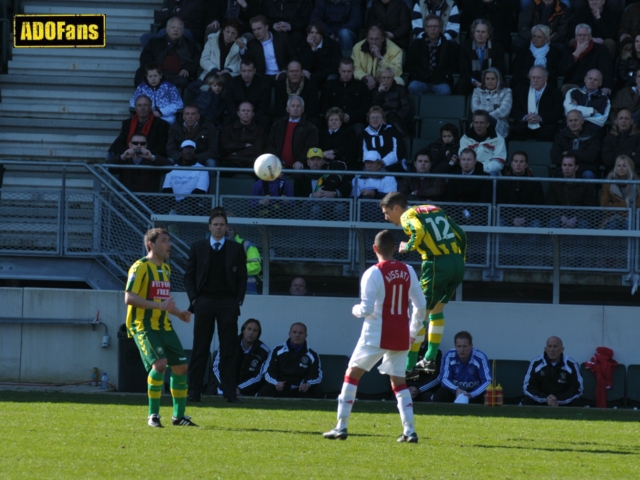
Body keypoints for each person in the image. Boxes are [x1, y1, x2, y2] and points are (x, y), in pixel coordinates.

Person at [323, 229, 426, 442]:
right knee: (399, 382)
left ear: (375, 248)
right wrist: (413, 331)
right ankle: (410, 431)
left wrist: (355, 309)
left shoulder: (373, 272)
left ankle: (341, 426)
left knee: (352, 374)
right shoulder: (408, 269)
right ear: (394, 247)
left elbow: (367, 309)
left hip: (376, 333)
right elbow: (421, 305)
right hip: (400, 334)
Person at [380, 191, 466, 375]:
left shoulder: (408, 215)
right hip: (457, 263)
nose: (386, 217)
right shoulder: (434, 209)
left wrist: (407, 247)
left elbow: (418, 231)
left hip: (436, 264)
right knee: (436, 311)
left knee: (420, 313)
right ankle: (429, 358)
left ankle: (409, 365)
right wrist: (462, 258)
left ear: (397, 208)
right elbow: (460, 233)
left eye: (387, 212)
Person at [124, 228, 196, 427]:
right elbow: (128, 297)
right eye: (164, 241)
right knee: (160, 364)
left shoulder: (165, 269)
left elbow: (162, 301)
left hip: (164, 325)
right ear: (151, 245)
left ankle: (179, 417)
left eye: (169, 241)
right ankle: (153, 415)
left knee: (181, 367)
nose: (169, 245)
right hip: (144, 326)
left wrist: (179, 312)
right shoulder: (140, 267)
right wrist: (158, 306)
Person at [184, 208, 247, 403]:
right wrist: (194, 299)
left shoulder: (236, 249)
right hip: (204, 301)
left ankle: (229, 393)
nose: (219, 228)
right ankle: (194, 392)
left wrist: (237, 300)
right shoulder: (198, 247)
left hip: (227, 302)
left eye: (222, 225)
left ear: (227, 227)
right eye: (215, 224)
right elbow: (189, 275)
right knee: (200, 347)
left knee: (228, 349)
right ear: (210, 226)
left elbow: (242, 277)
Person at [257, 322, 323, 398]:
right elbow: (268, 371)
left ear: (306, 336)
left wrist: (307, 384)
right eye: (294, 332)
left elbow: (317, 376)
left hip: (301, 390)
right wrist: (276, 383)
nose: (297, 335)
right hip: (280, 388)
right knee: (264, 391)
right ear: (289, 334)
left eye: (300, 333)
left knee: (318, 393)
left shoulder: (312, 355)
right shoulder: (277, 350)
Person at [135, 17, 200, 88]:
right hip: (157, 74)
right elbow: (145, 58)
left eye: (179, 28)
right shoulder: (154, 43)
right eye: (173, 27)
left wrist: (187, 68)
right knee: (144, 78)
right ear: (167, 29)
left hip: (176, 76)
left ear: (183, 30)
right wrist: (154, 70)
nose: (176, 30)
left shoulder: (189, 45)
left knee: (182, 82)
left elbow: (195, 60)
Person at [212, 318, 270, 397]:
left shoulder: (264, 351)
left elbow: (259, 376)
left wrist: (239, 388)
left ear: (258, 334)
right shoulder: (228, 344)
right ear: (243, 330)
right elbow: (216, 367)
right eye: (249, 329)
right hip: (223, 386)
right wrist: (224, 385)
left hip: (248, 390)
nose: (251, 333)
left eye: (255, 331)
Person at [522, 336, 584, 406]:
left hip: (563, 401)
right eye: (549, 346)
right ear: (545, 349)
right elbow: (528, 387)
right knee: (527, 400)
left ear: (562, 349)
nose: (552, 349)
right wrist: (546, 399)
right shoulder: (536, 363)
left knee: (577, 402)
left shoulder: (571, 364)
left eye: (555, 346)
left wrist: (557, 399)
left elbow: (577, 389)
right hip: (541, 400)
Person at [406, 14, 458, 97]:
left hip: (440, 81)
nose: (433, 29)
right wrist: (421, 75)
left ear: (440, 29)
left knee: (446, 90)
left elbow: (453, 66)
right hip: (421, 80)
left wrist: (444, 77)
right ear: (426, 29)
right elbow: (410, 65)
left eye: (436, 26)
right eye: (430, 26)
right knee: (413, 87)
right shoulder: (416, 44)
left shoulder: (449, 46)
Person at [107, 95, 170, 164]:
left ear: (150, 108)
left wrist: (145, 154)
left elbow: (162, 146)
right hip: (130, 158)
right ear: (135, 108)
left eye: (145, 105)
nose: (142, 108)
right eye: (139, 105)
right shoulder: (127, 123)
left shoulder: (161, 124)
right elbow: (119, 142)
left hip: (149, 159)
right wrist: (128, 153)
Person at [433, 331, 491, 404]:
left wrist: (471, 394)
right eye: (459, 346)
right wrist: (456, 389)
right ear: (455, 346)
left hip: (474, 393)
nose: (461, 350)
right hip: (456, 392)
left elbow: (487, 381)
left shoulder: (480, 357)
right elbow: (444, 378)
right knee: (441, 392)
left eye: (465, 346)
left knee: (487, 394)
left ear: (471, 346)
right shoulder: (449, 356)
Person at [510, 65, 564, 142]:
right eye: (533, 77)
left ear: (545, 79)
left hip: (545, 125)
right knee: (516, 132)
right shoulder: (521, 92)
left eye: (538, 78)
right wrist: (525, 117)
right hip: (526, 123)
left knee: (548, 133)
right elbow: (514, 110)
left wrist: (540, 118)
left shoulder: (555, 93)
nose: (535, 80)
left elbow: (557, 112)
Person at [266, 96, 319, 170]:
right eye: (293, 106)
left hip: (300, 167)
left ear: (303, 109)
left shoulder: (310, 128)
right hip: (277, 167)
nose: (295, 108)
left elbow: (310, 147)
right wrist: (276, 160)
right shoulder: (277, 125)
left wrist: (300, 160)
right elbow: (270, 144)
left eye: (298, 106)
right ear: (287, 109)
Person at [558, 24, 614, 95]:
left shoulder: (601, 50)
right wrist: (576, 54)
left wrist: (607, 86)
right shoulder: (569, 50)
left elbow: (607, 70)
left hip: (594, 85)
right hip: (574, 85)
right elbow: (562, 71)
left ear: (590, 37)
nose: (582, 37)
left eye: (585, 35)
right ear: (575, 37)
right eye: (579, 35)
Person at [320, 57, 371, 134]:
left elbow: (365, 107)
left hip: (354, 122)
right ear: (339, 70)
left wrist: (351, 116)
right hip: (333, 121)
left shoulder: (361, 86)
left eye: (349, 71)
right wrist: (336, 117)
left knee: (359, 130)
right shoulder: (329, 86)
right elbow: (324, 105)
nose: (346, 74)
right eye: (344, 71)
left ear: (353, 70)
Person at [109, 133, 173, 193]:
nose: (139, 146)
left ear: (146, 145)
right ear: (130, 145)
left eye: (142, 143)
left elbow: (170, 167)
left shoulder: (152, 159)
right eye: (135, 143)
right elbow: (107, 167)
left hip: (148, 200)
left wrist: (152, 158)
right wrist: (122, 157)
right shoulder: (124, 159)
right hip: (126, 199)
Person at [456, 19, 505, 96]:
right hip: (472, 80)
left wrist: (488, 81)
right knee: (462, 83)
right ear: (473, 33)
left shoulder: (497, 47)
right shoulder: (465, 47)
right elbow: (464, 70)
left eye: (483, 32)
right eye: (478, 31)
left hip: (491, 79)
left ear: (488, 34)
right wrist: (476, 83)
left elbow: (499, 68)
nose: (480, 34)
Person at [546, 154, 596, 228]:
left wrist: (576, 218)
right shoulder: (555, 183)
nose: (566, 168)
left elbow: (589, 206)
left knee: (583, 224)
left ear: (576, 167)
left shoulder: (585, 184)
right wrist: (562, 217)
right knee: (553, 223)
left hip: (579, 218)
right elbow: (551, 204)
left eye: (570, 165)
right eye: (564, 165)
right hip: (559, 217)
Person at [161, 140, 209, 215]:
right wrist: (174, 205)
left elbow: (200, 192)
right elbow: (166, 190)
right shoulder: (172, 168)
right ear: (180, 152)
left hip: (193, 206)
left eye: (192, 149)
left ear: (195, 153)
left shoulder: (202, 169)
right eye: (186, 149)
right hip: (173, 206)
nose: (189, 151)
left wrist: (182, 205)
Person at [241, 15, 294, 82]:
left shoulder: (282, 38)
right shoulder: (252, 44)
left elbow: (293, 55)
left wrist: (285, 70)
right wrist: (242, 48)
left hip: (283, 73)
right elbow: (248, 61)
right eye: (254, 30)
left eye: (259, 28)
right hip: (263, 77)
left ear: (266, 27)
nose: (256, 32)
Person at [550, 109, 602, 178]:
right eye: (570, 121)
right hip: (565, 169)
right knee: (557, 176)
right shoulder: (560, 137)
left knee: (588, 175)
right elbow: (555, 157)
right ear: (567, 122)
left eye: (576, 120)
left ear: (582, 121)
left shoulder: (593, 136)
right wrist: (578, 157)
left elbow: (592, 157)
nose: (573, 123)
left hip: (586, 169)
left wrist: (569, 152)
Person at [352, 25, 404, 91]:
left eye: (377, 39)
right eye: (371, 39)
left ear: (382, 38)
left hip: (384, 80)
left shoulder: (395, 49)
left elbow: (397, 72)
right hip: (365, 80)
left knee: (399, 80)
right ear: (367, 38)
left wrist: (380, 58)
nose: (373, 42)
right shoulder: (357, 47)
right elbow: (355, 68)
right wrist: (366, 77)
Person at [510, 25, 562, 89]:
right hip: (526, 82)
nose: (536, 39)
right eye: (534, 36)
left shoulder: (554, 52)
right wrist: (529, 76)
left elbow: (556, 71)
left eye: (539, 37)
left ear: (546, 39)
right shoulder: (524, 50)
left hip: (547, 83)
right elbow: (516, 68)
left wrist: (541, 77)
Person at [226, 59, 272, 131]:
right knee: (228, 120)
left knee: (265, 120)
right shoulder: (232, 83)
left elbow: (264, 106)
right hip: (238, 115)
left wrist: (250, 117)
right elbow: (230, 104)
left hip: (256, 115)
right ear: (240, 71)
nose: (246, 74)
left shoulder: (263, 83)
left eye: (249, 71)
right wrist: (241, 116)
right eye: (244, 71)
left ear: (254, 71)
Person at [459, 110, 507, 176]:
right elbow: (463, 158)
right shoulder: (465, 138)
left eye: (481, 123)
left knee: (493, 174)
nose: (478, 125)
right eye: (476, 122)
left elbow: (499, 162)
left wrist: (480, 169)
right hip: (470, 171)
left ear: (487, 124)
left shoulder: (499, 139)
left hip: (489, 171)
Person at [220, 101, 266, 168]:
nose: (246, 113)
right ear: (238, 113)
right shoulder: (229, 128)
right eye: (243, 110)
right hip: (231, 161)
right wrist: (244, 145)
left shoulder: (259, 130)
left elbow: (258, 149)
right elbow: (225, 146)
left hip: (252, 162)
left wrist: (237, 153)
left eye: (248, 111)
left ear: (253, 114)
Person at [297, 22, 342, 90]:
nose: (314, 35)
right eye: (311, 32)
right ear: (308, 34)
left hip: (325, 79)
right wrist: (312, 49)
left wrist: (313, 76)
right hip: (308, 81)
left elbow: (334, 68)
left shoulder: (333, 45)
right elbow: (303, 66)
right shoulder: (304, 45)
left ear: (321, 35)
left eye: (317, 33)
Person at [360, 106, 407, 171]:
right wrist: (373, 164)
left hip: (391, 165)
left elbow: (398, 151)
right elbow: (363, 153)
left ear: (384, 119)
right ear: (368, 120)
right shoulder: (364, 134)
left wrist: (382, 163)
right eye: (372, 118)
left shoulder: (392, 131)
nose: (375, 120)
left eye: (378, 117)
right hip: (370, 167)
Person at [470, 67, 512, 138]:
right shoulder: (477, 91)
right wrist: (493, 107)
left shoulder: (506, 91)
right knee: (478, 124)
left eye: (492, 79)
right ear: (484, 80)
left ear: (498, 80)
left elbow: (504, 111)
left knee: (486, 124)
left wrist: (485, 117)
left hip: (499, 123)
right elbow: (474, 109)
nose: (490, 81)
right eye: (487, 79)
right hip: (479, 122)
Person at [600, 155, 639, 230]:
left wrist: (616, 207)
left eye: (624, 166)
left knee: (630, 222)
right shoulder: (607, 184)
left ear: (630, 168)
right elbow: (605, 207)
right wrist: (626, 204)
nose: (621, 168)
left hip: (631, 217)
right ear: (615, 168)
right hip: (612, 218)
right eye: (619, 165)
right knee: (613, 223)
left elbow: (638, 207)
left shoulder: (637, 185)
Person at [371, 67, 411, 137]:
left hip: (398, 119)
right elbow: (373, 109)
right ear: (379, 79)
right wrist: (380, 93)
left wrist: (397, 117)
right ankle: (404, 135)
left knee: (391, 115)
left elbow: (406, 108)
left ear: (392, 78)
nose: (386, 80)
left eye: (389, 78)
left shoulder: (400, 89)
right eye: (383, 77)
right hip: (380, 121)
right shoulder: (374, 91)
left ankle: (403, 134)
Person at [226, 224, 262, 295]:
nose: (227, 232)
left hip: (247, 288)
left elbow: (256, 266)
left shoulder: (247, 245)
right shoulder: (214, 246)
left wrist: (235, 269)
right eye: (224, 229)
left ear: (235, 230)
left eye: (230, 229)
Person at [602, 109, 640, 173]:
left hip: (634, 173)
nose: (623, 121)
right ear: (616, 121)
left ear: (631, 121)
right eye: (621, 118)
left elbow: (638, 160)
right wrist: (630, 153)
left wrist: (616, 155)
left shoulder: (638, 137)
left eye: (626, 118)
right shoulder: (609, 138)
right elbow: (606, 160)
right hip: (613, 173)